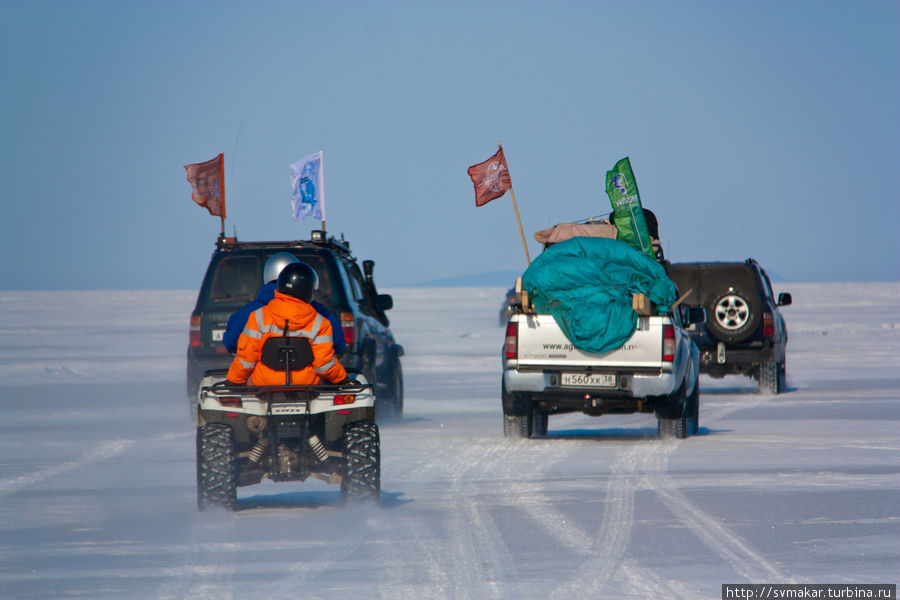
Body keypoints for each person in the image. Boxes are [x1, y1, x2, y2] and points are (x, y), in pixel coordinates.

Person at [226, 262, 347, 386]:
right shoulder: (320, 322)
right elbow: (323, 364)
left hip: (264, 386)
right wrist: (341, 379)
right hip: (306, 387)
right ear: (309, 290)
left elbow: (246, 359)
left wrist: (233, 381)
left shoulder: (258, 317)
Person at [222, 252, 346, 355]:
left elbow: (231, 343)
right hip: (308, 381)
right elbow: (338, 343)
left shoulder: (250, 312)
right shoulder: (318, 312)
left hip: (261, 381)